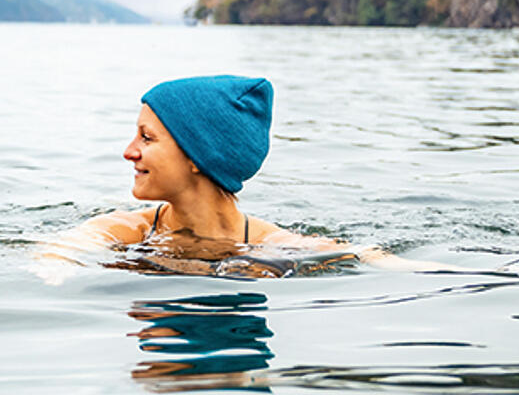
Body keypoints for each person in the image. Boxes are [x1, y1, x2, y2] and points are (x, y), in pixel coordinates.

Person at [40, 74, 349, 276]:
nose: (129, 152)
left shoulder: (274, 244)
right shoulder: (129, 229)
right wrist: (56, 268)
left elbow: (369, 258)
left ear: (197, 157)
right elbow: (63, 250)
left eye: (146, 138)